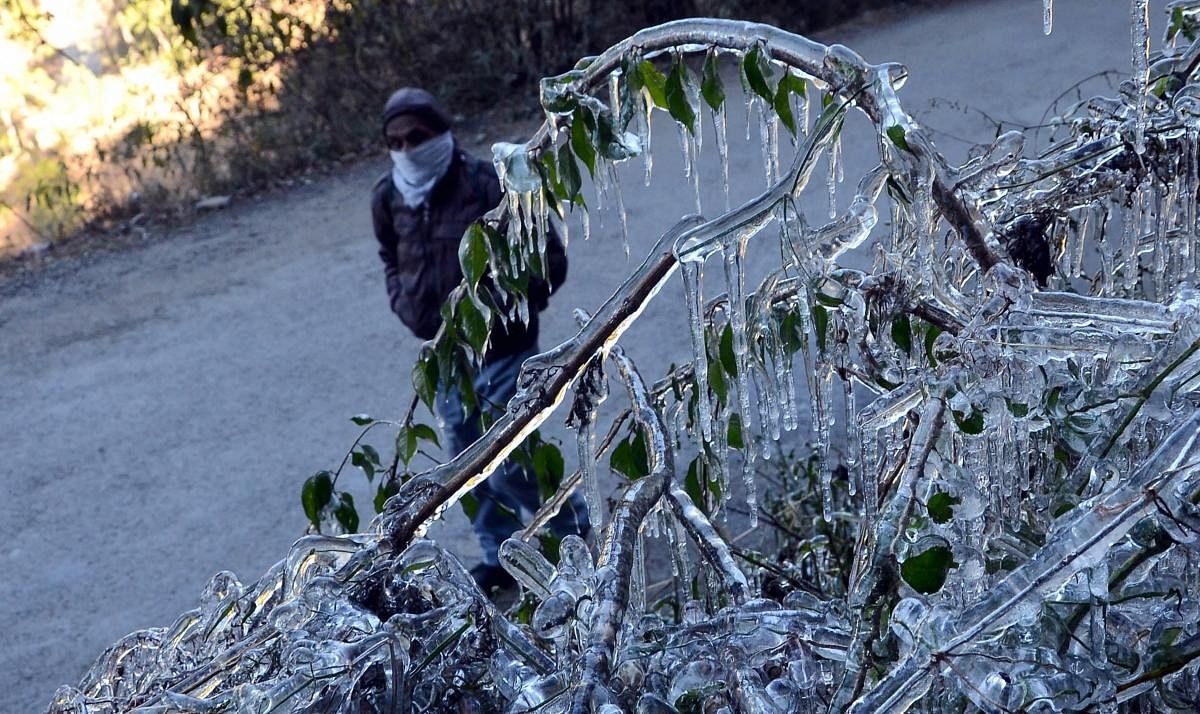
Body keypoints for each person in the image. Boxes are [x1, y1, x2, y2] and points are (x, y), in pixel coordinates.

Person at [371, 87, 590, 592]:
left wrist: (496, 302)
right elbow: (390, 257)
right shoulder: (387, 196)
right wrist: (406, 304)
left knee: (513, 462)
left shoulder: (486, 183)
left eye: (417, 137)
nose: (407, 149)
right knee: (465, 464)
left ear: (442, 133)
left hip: (505, 348)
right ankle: (499, 557)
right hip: (446, 357)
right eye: (395, 141)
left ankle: (578, 539)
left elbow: (549, 259)